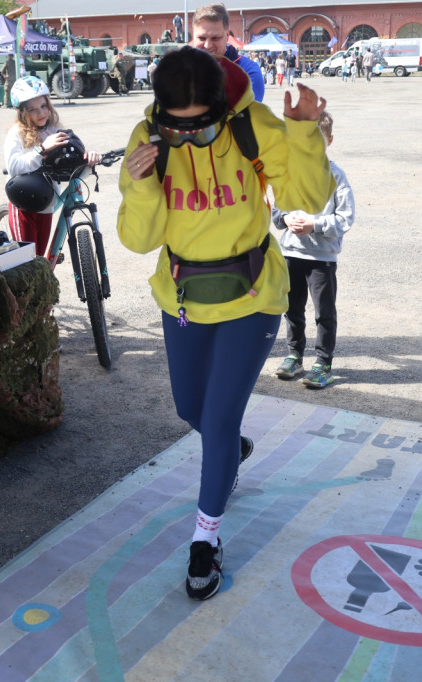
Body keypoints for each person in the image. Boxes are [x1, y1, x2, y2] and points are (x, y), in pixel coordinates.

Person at [117, 46, 333, 600]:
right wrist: (142, 185)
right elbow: (139, 240)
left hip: (254, 292)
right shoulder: (148, 145)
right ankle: (229, 452)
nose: (188, 141)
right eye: (176, 130)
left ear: (223, 111)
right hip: (184, 295)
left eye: (202, 130)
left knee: (215, 419)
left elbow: (305, 197)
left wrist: (304, 133)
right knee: (191, 409)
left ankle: (205, 540)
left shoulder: (253, 128)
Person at [272, 111, 355, 389]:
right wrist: (285, 219)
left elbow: (345, 218)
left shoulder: (336, 176)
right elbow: (276, 212)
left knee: (324, 312)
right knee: (292, 309)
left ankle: (323, 363)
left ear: (329, 141)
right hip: (291, 254)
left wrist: (315, 224)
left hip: (321, 259)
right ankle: (294, 355)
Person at [2, 76, 101, 257]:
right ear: (23, 112)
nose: (41, 113)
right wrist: (42, 149)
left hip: (46, 203)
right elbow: (14, 166)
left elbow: (72, 156)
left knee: (39, 257)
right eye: (33, 109)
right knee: (26, 261)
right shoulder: (16, 133)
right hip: (23, 204)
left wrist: (89, 156)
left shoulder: (54, 129)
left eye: (43, 106)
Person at [191, 3, 265, 102]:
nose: (207, 45)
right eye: (202, 38)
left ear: (227, 36)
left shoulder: (248, 71)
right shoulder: (178, 69)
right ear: (193, 36)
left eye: (215, 38)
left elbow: (247, 114)